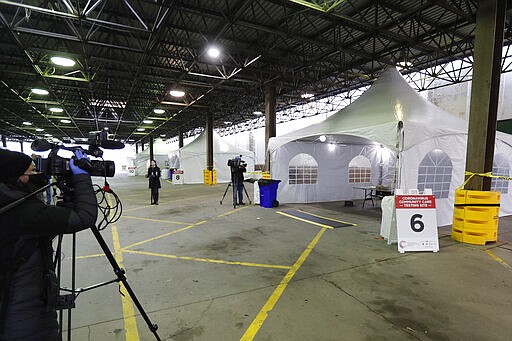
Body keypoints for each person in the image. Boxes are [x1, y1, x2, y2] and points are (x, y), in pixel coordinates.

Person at [0, 148, 98, 340]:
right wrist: (82, 179)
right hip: (22, 320)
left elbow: (24, 241)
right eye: (32, 171)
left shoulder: (8, 205)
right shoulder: (21, 211)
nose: (38, 175)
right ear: (18, 178)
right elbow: (84, 216)